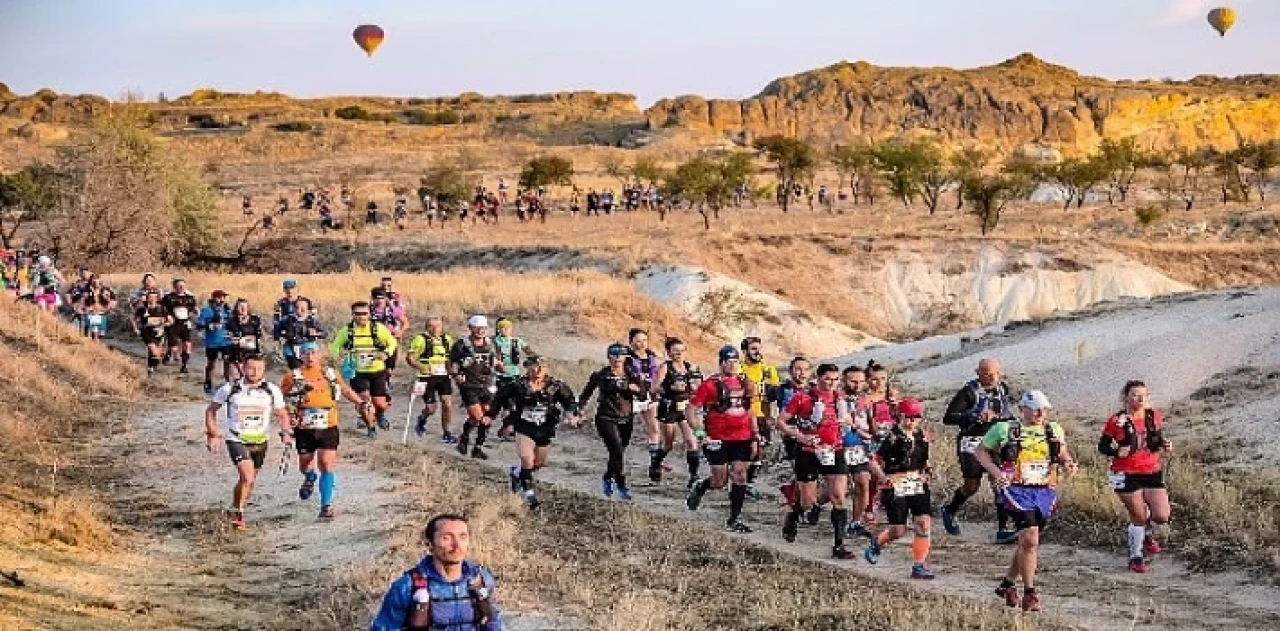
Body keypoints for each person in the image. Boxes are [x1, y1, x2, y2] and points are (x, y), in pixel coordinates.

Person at [977, 390, 1077, 612]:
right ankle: (1030, 594)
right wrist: (995, 472)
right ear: (1022, 409)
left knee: (1026, 542)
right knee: (1031, 538)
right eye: (1035, 408)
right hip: (1016, 489)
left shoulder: (1054, 429)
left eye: (1044, 409)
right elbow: (981, 452)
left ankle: (1007, 585)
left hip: (1044, 491)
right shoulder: (1005, 429)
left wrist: (1069, 463)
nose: (1040, 413)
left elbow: (1063, 453)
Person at [369, 514, 503, 631]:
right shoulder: (407, 587)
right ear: (429, 544)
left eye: (463, 536)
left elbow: (493, 620)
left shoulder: (481, 580)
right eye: (446, 538)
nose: (457, 545)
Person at [204, 353, 291, 530]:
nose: (255, 372)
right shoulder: (230, 388)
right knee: (247, 476)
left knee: (249, 482)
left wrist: (285, 431)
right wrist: (213, 433)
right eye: (251, 368)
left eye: (259, 369)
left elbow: (282, 414)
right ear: (243, 368)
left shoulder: (272, 390)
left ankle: (235, 507)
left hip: (260, 440)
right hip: (236, 439)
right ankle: (239, 515)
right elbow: (211, 410)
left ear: (264, 370)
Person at [777, 363, 855, 557]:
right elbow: (780, 421)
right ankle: (794, 514)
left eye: (836, 379)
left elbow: (850, 421)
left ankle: (839, 545)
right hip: (808, 451)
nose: (832, 383)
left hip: (834, 450)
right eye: (828, 379)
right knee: (807, 503)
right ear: (818, 378)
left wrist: (846, 422)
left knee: (838, 496)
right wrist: (799, 436)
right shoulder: (802, 397)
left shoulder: (841, 398)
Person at [940, 358, 1018, 543]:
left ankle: (1002, 529)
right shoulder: (969, 391)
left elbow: (1005, 412)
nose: (990, 377)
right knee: (972, 486)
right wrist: (973, 416)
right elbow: (948, 418)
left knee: (999, 483)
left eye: (994, 373)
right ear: (978, 373)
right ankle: (949, 510)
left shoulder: (1003, 389)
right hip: (971, 442)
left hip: (995, 441)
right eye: (986, 373)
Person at [1098, 380, 1172, 574]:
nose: (1140, 399)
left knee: (1162, 515)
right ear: (1126, 397)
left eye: (1143, 396)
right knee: (1138, 516)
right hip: (1126, 472)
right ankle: (1136, 556)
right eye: (1135, 395)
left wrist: (1165, 444)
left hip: (1151, 470)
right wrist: (1116, 452)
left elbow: (1157, 437)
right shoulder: (1116, 421)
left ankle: (1146, 534)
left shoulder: (1153, 416)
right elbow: (1103, 446)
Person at [281, 342, 361, 520]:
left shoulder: (330, 374)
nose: (310, 356)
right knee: (305, 463)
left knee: (325, 464)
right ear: (300, 356)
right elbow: (281, 400)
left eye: (313, 353)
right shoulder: (292, 376)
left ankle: (326, 506)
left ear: (319, 355)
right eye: (306, 353)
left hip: (328, 423)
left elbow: (345, 390)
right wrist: (288, 418)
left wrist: (361, 403)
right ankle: (309, 477)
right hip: (304, 426)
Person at [685, 345, 759, 533]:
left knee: (740, 476)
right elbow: (690, 411)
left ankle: (734, 518)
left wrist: (755, 434)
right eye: (729, 361)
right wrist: (701, 435)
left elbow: (750, 410)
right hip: (717, 438)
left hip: (742, 437)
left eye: (736, 361)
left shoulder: (745, 383)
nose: (733, 365)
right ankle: (701, 486)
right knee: (720, 481)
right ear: (721, 363)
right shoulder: (709, 385)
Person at [862, 397, 937, 579]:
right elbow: (873, 461)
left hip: (916, 483)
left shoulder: (921, 436)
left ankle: (919, 565)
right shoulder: (890, 437)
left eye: (915, 417)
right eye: (908, 417)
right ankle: (877, 542)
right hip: (895, 484)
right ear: (900, 416)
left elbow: (924, 460)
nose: (912, 421)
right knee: (899, 530)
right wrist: (883, 478)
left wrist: (927, 472)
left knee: (923, 523)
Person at [491, 355, 579, 508]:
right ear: (527, 367)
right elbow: (500, 397)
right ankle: (528, 493)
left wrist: (571, 415)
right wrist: (490, 415)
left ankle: (517, 472)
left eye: (542, 367)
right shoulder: (518, 384)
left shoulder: (555, 385)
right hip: (523, 425)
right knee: (526, 458)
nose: (538, 370)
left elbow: (569, 401)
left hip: (544, 428)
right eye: (534, 366)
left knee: (539, 462)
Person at [578, 343, 643, 499]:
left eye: (621, 354)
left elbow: (643, 394)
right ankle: (621, 486)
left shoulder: (632, 373)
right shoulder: (602, 374)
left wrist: (639, 390)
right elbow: (600, 389)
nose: (618, 358)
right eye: (614, 354)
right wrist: (578, 409)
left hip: (626, 417)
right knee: (616, 450)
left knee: (618, 452)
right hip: (606, 417)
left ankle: (608, 476)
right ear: (608, 357)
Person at [330, 301, 398, 437]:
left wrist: (386, 353)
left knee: (380, 404)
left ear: (369, 314)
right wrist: (338, 356)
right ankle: (370, 427)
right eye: (358, 314)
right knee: (364, 400)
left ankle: (380, 415)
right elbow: (334, 347)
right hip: (357, 372)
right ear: (352, 315)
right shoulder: (347, 331)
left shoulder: (378, 328)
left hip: (378, 371)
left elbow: (392, 342)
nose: (361, 317)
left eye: (364, 314)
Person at [449, 315, 505, 458]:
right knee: (478, 417)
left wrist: (501, 368)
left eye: (483, 328)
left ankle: (476, 447)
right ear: (470, 328)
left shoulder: (492, 344)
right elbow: (453, 363)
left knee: (485, 417)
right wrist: (456, 375)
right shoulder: (461, 345)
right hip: (469, 385)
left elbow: (497, 361)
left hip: (488, 384)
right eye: (477, 328)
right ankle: (465, 438)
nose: (480, 331)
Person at [650, 337, 704, 486]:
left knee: (691, 441)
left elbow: (700, 386)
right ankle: (655, 464)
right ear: (668, 352)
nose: (679, 354)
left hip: (686, 407)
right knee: (668, 444)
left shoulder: (690, 367)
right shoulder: (665, 367)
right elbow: (654, 388)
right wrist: (669, 388)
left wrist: (694, 388)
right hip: (669, 407)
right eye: (675, 351)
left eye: (681, 351)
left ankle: (694, 477)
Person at [407, 316, 458, 443]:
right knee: (431, 408)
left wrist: (452, 370)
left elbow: (449, 358)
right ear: (426, 327)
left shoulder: (447, 339)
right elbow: (410, 358)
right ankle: (422, 418)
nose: (435, 329)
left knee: (447, 404)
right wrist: (421, 367)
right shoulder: (420, 339)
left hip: (443, 376)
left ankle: (447, 433)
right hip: (426, 377)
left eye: (438, 326)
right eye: (431, 326)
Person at [739, 336, 780, 490]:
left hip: (763, 414)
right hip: (744, 415)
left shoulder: (768, 369)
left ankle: (748, 479)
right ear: (744, 351)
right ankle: (741, 478)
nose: (758, 352)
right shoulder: (739, 368)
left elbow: (774, 394)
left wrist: (772, 416)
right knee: (752, 448)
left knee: (760, 449)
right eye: (754, 349)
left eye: (759, 349)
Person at [195, 290, 234, 393]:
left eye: (223, 297)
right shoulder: (207, 310)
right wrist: (209, 325)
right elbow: (199, 325)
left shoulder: (227, 310)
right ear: (213, 298)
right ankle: (208, 380)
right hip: (212, 341)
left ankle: (228, 382)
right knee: (212, 364)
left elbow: (233, 322)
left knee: (228, 361)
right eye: (219, 297)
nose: (222, 299)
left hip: (226, 340)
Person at [274, 297, 326, 369]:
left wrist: (316, 333)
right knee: (296, 371)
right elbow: (276, 330)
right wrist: (282, 336)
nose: (299, 310)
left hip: (308, 349)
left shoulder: (313, 321)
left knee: (311, 369)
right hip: (291, 349)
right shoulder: (287, 319)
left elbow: (325, 334)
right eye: (297, 307)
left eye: (303, 308)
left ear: (308, 309)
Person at [161, 278, 199, 373]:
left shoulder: (190, 298)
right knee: (174, 348)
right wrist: (167, 315)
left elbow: (194, 308)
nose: (182, 287)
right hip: (172, 324)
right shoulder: (168, 297)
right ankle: (170, 353)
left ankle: (184, 365)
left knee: (187, 344)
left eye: (183, 285)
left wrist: (196, 311)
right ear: (174, 287)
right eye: (179, 285)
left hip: (185, 323)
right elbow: (161, 308)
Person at [225, 298, 265, 378]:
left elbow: (259, 336)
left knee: (251, 377)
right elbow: (227, 337)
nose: (243, 309)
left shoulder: (255, 320)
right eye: (240, 307)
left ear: (248, 308)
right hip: (235, 354)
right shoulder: (231, 321)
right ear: (236, 308)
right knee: (236, 380)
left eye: (245, 306)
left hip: (251, 353)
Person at [134, 290, 169, 375]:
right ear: (147, 298)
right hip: (146, 332)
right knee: (153, 350)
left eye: (154, 297)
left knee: (156, 355)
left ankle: (151, 368)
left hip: (159, 332)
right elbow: (134, 319)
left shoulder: (162, 308)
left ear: (157, 298)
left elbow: (170, 319)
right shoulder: (142, 309)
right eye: (150, 297)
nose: (152, 299)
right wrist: (136, 328)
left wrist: (165, 323)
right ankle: (151, 368)